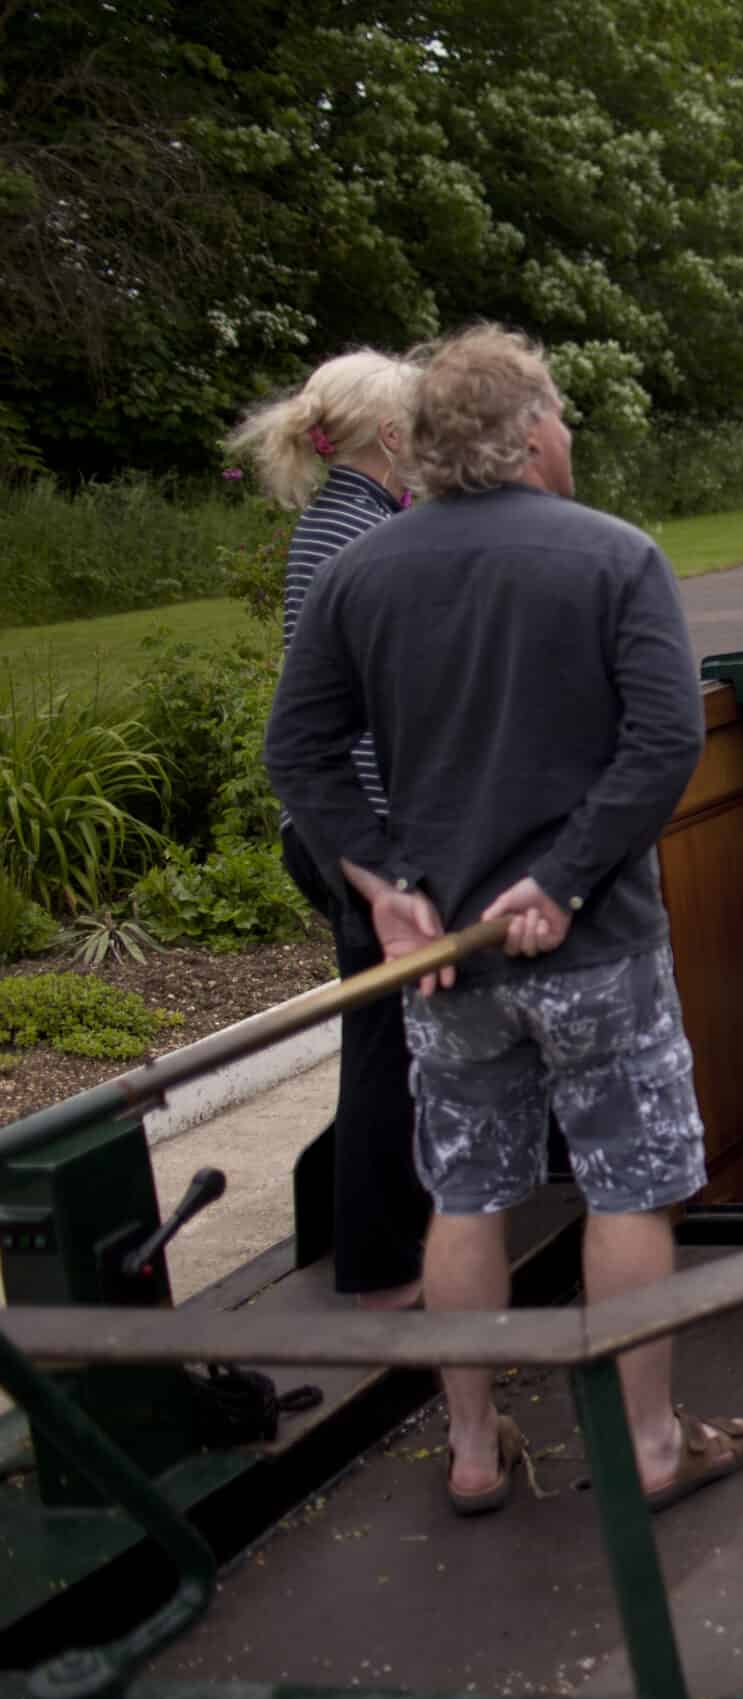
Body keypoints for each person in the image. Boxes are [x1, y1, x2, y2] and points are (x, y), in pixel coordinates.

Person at [264, 323, 743, 1517]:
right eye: (563, 417)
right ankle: (650, 1444)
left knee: (467, 1191)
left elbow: (300, 752)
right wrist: (569, 877)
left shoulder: (358, 574)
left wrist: (383, 888)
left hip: (446, 963)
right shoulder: (612, 558)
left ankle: (476, 1452)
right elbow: (664, 740)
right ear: (531, 430)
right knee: (629, 1185)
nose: (569, 436)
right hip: (592, 948)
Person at [224, 350, 430, 1312]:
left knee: (392, 1032)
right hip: (353, 837)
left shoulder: (348, 521)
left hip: (346, 831)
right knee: (383, 1039)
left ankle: (399, 1239)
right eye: (419, 425)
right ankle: (382, 1266)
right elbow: (326, 728)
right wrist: (382, 863)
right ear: (392, 437)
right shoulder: (358, 537)